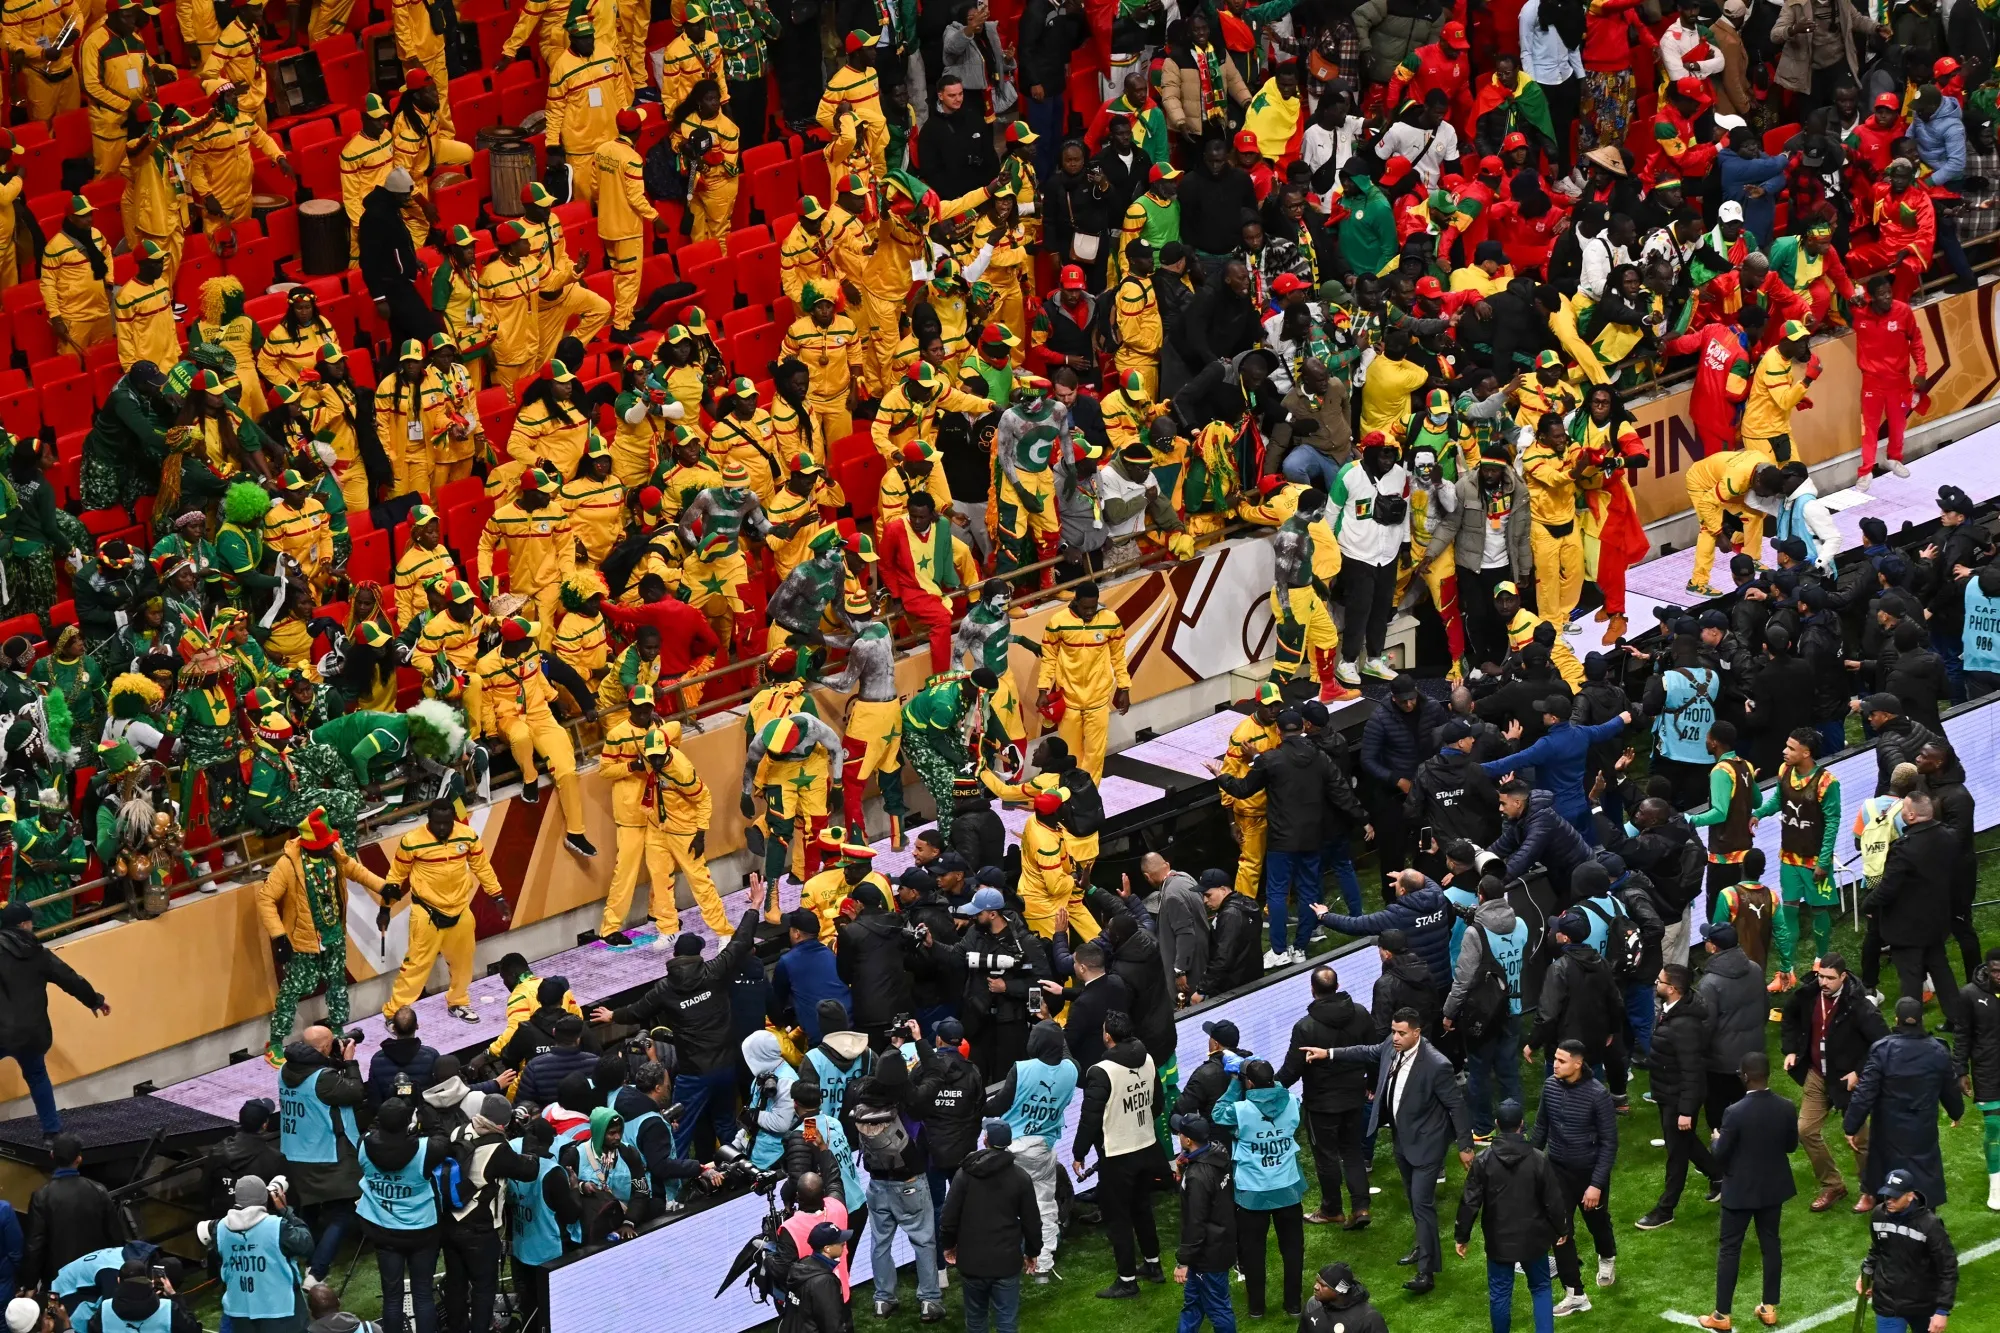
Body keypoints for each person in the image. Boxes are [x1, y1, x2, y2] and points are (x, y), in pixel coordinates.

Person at [593, 882, 767, 1158]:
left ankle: (677, 1188)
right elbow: (741, 941)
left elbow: (638, 1011)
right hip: (725, 1065)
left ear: (675, 958)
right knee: (725, 1123)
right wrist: (755, 905)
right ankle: (740, 1171)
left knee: (680, 1128)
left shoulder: (665, 989)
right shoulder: (714, 971)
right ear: (698, 955)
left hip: (694, 1073)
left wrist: (612, 1014)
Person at [1318, 1008, 1473, 1293]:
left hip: (1427, 1142)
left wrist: (1465, 1145)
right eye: (1393, 1031)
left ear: (1417, 1032)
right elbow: (1365, 1051)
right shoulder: (1391, 1045)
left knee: (1422, 1203)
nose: (1395, 1037)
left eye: (1402, 1033)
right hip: (1403, 1138)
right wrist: (1328, 1053)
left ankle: (1426, 1274)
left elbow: (1456, 1105)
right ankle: (1423, 1245)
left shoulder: (1436, 1064)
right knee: (1416, 1202)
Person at [1211, 708, 1353, 964]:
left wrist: (1221, 776)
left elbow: (1243, 789)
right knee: (1309, 891)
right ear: (1303, 727)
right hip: (1311, 836)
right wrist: (1362, 817)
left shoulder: (1272, 759)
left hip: (1282, 838)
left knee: (1276, 893)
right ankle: (1300, 947)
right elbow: (1341, 789)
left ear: (1278, 731)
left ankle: (1278, 951)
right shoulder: (1319, 756)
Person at [377, 802, 512, 1023]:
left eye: (447, 823)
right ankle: (394, 1014)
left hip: (460, 909)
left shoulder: (467, 836)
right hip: (426, 913)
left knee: (463, 961)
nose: (442, 828)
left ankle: (458, 1002)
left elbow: (482, 867)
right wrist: (384, 908)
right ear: (428, 820)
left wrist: (497, 896)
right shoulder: (412, 841)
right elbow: (395, 877)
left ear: (453, 820)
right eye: (437, 823)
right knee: (416, 966)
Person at [1072, 1010, 1168, 1299]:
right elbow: (1157, 1104)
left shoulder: (1101, 1071)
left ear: (1108, 1037)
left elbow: (1090, 1118)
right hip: (1146, 1146)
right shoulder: (1148, 1058)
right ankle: (1153, 1265)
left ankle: (1127, 1280)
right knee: (1142, 1209)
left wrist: (1079, 1153)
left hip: (1117, 1154)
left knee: (1118, 1218)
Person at [1782, 951, 1888, 1213]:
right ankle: (1832, 1185)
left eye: (1830, 978)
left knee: (1859, 1140)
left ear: (1843, 976)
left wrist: (1859, 1071)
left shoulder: (1859, 1005)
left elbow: (1883, 1042)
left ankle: (1870, 1190)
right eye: (1820, 976)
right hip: (1818, 1075)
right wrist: (1792, 1050)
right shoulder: (1807, 995)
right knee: (1806, 1130)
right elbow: (1789, 1018)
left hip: (1849, 1081)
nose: (1823, 982)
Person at [1700, 1051, 1797, 1331]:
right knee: (1771, 1244)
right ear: (1768, 1075)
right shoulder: (1787, 1107)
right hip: (1772, 1189)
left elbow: (1720, 1155)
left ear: (1744, 1076)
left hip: (1740, 1191)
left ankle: (1721, 1315)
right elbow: (1791, 1146)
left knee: (1730, 1249)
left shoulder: (1734, 1112)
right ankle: (1769, 1308)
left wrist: (1716, 1139)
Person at [1454, 1097, 1569, 1333]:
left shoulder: (1484, 1161)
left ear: (1496, 1124)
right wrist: (1562, 1229)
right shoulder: (1538, 1159)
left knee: (1500, 1293)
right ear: (1522, 1124)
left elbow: (1469, 1202)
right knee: (1540, 1288)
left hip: (1499, 1241)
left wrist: (1461, 1236)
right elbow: (1553, 1201)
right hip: (1534, 1239)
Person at [1276, 967, 1377, 1227]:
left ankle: (1332, 1209)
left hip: (1322, 1104)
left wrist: (1267, 1086)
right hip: (1355, 1096)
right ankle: (1361, 1208)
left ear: (1313, 990)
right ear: (1337, 985)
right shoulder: (1361, 1013)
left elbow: (1291, 1070)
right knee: (1352, 1151)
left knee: (1327, 1157)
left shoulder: (1305, 1027)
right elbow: (1372, 1052)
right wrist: (1372, 1083)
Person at [1846, 995, 1965, 1208]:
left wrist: (1851, 1126)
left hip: (1888, 1128)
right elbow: (1950, 1087)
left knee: (1888, 1170)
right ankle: (1924, 1213)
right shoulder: (1938, 1049)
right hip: (1923, 1126)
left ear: (1897, 1020)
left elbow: (1865, 1091)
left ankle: (1890, 1211)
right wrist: (1956, 1112)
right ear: (1921, 1020)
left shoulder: (1883, 1049)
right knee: (1924, 1169)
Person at [0, 903, 108, 1137]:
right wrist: (94, 1000)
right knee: (37, 1075)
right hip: (32, 1033)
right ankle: (52, 1133)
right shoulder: (39, 953)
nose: (32, 926)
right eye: (30, 922)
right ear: (22, 925)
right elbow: (69, 979)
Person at [1862, 791, 1962, 1030]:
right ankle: (1958, 1019)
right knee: (1940, 968)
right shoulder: (1949, 837)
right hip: (1938, 920)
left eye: (1904, 809)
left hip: (1907, 926)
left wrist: (1868, 904)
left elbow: (1888, 888)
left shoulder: (1904, 848)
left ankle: (1910, 1026)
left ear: (1911, 815)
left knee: (1910, 977)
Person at [1533, 1040, 1618, 1313]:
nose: (1554, 1064)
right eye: (1555, 1059)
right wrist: (1528, 1163)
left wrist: (1595, 1184)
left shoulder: (1598, 1095)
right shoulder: (1550, 1087)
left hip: (1590, 1174)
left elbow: (1609, 1143)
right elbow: (1541, 1128)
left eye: (1561, 1061)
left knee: (1597, 1224)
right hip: (1557, 1171)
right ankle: (1575, 1294)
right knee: (1560, 1230)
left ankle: (1607, 1257)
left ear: (1578, 1064)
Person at [1637, 964, 1721, 1230]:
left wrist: (1686, 1110)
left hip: (1678, 1097)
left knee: (1677, 1153)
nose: (1656, 982)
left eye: (1660, 980)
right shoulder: (1673, 1011)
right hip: (1668, 1092)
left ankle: (1666, 1209)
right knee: (1686, 1142)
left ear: (1672, 989)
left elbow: (1692, 1070)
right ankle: (1719, 1177)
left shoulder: (1685, 1025)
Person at [939, 1120, 1042, 1333]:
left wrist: (948, 1246)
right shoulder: (1020, 1177)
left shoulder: (965, 1174)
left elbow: (948, 1217)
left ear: (985, 1140)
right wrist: (1033, 1252)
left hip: (972, 1262)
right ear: (1009, 1142)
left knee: (976, 1321)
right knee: (1006, 1323)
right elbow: (1032, 1221)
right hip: (1006, 1262)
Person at [1036, 581, 1130, 781]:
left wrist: (1124, 686)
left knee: (1095, 755)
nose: (1090, 612)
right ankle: (1071, 794)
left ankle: (1089, 794)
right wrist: (1043, 689)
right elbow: (1049, 657)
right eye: (1085, 607)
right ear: (1075, 602)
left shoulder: (1110, 619)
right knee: (1070, 755)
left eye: (1093, 607)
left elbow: (1118, 656)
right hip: (1069, 701)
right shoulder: (1058, 621)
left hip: (1098, 700)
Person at [198, 1173, 312, 1333]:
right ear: (265, 1197)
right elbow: (306, 1244)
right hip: (281, 1311)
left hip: (240, 1312)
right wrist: (286, 1211)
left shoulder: (219, 1229)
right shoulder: (277, 1227)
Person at [1859, 1168, 1958, 1333]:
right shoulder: (1878, 1215)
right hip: (1887, 1303)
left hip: (1923, 1304)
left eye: (1895, 1197)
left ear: (1910, 1195)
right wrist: (1866, 1273)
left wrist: (1942, 1311)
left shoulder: (1930, 1225)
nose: (1889, 1200)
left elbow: (1948, 1267)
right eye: (1886, 1195)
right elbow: (1877, 1249)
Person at [20, 1134, 123, 1293]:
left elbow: (35, 1245)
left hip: (57, 1280)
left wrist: (30, 1284)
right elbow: (115, 1236)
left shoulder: (42, 1196)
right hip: (93, 1275)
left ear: (52, 1155)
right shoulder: (99, 1190)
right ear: (79, 1159)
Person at [1698, 921, 1767, 1130]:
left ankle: (1722, 1146)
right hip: (1753, 1054)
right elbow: (1765, 1008)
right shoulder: (1754, 968)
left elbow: (1705, 1025)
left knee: (1718, 1110)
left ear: (1713, 947)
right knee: (1748, 1105)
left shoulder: (1709, 983)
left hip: (1721, 1063)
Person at [1958, 947, 2000, 1210]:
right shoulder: (1970, 995)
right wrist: (1960, 1070)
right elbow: (1962, 1034)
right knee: (1994, 1128)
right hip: (1988, 1071)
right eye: (1996, 970)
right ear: (1987, 968)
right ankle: (1996, 1187)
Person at [783, 1220, 852, 1333]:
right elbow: (831, 1324)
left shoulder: (802, 1265)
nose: (844, 1244)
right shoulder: (825, 1282)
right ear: (827, 1248)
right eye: (840, 1242)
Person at [1298, 1262, 1387, 1333]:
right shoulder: (1313, 1305)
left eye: (1323, 1285)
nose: (1316, 1287)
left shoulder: (1368, 1319)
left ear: (1340, 1291)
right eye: (1317, 1281)